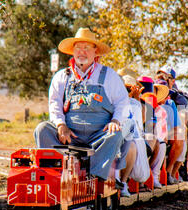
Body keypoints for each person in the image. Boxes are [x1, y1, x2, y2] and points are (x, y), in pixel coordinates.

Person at [34, 28, 133, 197]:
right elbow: (54, 105)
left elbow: (123, 103)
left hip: (98, 137)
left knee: (115, 135)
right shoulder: (61, 76)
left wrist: (115, 122)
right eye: (78, 47)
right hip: (70, 136)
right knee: (42, 129)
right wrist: (61, 125)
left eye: (87, 48)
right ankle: (54, 173)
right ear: (72, 51)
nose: (82, 52)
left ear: (95, 51)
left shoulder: (109, 76)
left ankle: (92, 177)